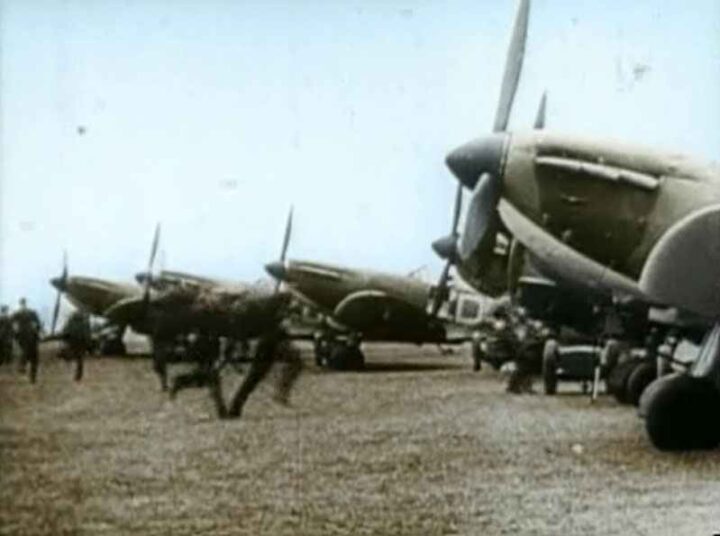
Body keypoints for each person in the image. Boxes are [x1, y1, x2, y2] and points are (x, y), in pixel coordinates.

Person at [226, 327, 302, 419]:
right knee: (256, 375)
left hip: (275, 336)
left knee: (255, 376)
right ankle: (281, 391)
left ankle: (281, 391)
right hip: (272, 338)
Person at [169, 332, 226, 418]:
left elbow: (190, 355)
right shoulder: (210, 338)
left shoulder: (200, 338)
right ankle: (221, 411)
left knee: (211, 384)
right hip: (206, 364)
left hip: (204, 364)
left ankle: (221, 410)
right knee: (213, 385)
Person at [11, 298, 42, 383]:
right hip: (27, 338)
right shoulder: (20, 314)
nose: (23, 306)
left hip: (28, 338)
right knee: (30, 356)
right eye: (22, 304)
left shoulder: (26, 313)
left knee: (31, 356)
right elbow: (38, 324)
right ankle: (27, 372)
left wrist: (15, 331)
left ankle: (29, 373)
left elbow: (38, 324)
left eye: (23, 304)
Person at [62, 310, 92, 381]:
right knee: (80, 359)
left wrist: (66, 340)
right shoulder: (85, 323)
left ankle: (70, 368)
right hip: (81, 343)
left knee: (72, 356)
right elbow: (87, 334)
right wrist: (89, 345)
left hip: (72, 342)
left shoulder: (70, 322)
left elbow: (65, 332)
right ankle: (79, 375)